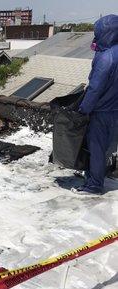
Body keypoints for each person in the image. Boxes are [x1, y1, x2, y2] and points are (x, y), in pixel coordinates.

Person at [73, 15, 118, 195]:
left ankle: (94, 185)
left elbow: (95, 88)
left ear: (106, 33)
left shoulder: (106, 58)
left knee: (96, 149)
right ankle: (97, 176)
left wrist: (84, 109)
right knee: (107, 147)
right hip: (116, 111)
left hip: (102, 111)